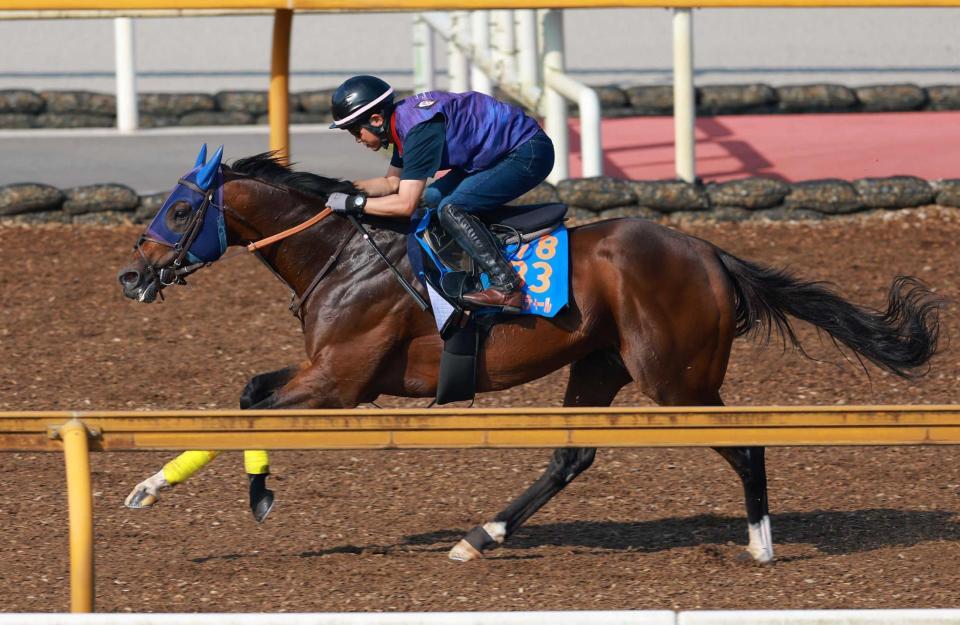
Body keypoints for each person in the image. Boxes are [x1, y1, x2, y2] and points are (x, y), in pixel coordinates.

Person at [324, 75, 555, 312]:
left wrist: (354, 202)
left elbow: (405, 205)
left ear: (375, 119)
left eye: (356, 131)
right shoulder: (400, 122)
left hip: (527, 152)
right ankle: (472, 260)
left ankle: (507, 286)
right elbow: (391, 182)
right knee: (433, 197)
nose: (357, 140)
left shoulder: (418, 131)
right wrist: (338, 189)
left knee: (451, 209)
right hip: (499, 153)